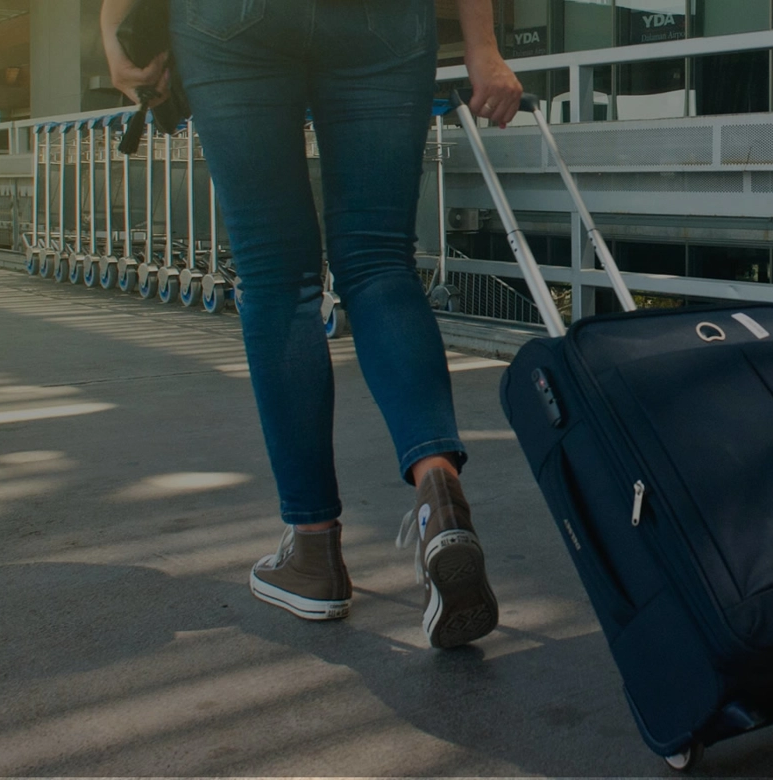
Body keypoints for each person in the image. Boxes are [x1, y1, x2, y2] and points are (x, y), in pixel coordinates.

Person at [100, 0, 524, 648]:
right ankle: (441, 497)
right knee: (381, 262)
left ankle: (314, 552)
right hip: (381, 23)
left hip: (231, 21)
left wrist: (113, 25)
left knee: (278, 280)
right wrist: (482, 47)